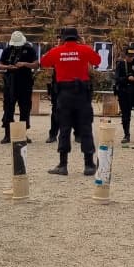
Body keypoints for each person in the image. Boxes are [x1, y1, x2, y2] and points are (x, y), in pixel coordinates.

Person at [39, 26, 101, 176]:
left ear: (62, 38)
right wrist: (85, 45)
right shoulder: (84, 49)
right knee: (86, 128)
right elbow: (97, 60)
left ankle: (63, 164)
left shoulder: (57, 51)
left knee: (64, 129)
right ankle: (89, 165)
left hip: (64, 94)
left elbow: (43, 62)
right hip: (82, 93)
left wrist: (59, 48)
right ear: (77, 37)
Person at [0, 30, 39, 145]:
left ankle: (22, 134)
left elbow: (36, 64)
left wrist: (25, 64)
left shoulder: (29, 49)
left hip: (25, 83)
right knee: (8, 108)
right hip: (10, 83)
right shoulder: (8, 50)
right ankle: (7, 134)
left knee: (25, 109)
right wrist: (8, 66)